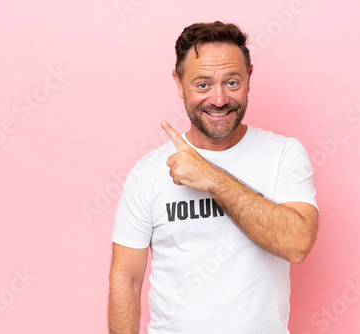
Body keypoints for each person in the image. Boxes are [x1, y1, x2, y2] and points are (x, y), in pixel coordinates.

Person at [108, 21, 318, 334]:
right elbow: (126, 279)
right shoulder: (147, 172)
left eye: (232, 83)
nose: (219, 100)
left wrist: (211, 177)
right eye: (203, 85)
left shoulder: (284, 155)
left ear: (248, 78)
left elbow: (297, 244)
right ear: (179, 83)